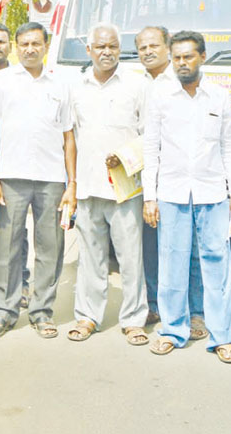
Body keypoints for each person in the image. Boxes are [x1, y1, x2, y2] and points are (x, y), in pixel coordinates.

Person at [143, 30, 231, 364]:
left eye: (188, 56)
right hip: (171, 193)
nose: (182, 63)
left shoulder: (219, 96)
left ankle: (223, 338)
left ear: (202, 56)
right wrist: (149, 196)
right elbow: (150, 149)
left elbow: (229, 148)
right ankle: (172, 331)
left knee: (217, 264)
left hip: (212, 192)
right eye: (176, 58)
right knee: (171, 264)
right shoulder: (161, 97)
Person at [0, 21, 77, 340]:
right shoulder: (2, 81)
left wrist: (71, 183)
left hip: (51, 179)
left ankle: (41, 311)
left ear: (46, 46)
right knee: (9, 246)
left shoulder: (61, 84)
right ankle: (5, 312)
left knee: (50, 246)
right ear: (16, 47)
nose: (30, 49)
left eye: (36, 43)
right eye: (24, 44)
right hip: (11, 176)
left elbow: (68, 137)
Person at [67, 23, 150, 346]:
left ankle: (133, 319)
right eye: (100, 47)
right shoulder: (76, 88)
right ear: (89, 50)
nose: (107, 52)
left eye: (113, 47)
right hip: (88, 187)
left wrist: (125, 157)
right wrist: (71, 185)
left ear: (120, 49)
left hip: (124, 189)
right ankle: (88, 316)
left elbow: (150, 136)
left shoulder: (136, 85)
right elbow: (70, 139)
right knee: (90, 258)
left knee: (130, 257)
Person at [134, 26, 206, 339]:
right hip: (142, 175)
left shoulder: (180, 79)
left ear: (167, 48)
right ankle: (156, 305)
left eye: (154, 45)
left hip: (180, 177)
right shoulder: (133, 81)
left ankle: (196, 312)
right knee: (151, 246)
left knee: (188, 248)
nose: (148, 51)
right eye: (142, 47)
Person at [0, 23, 31, 307]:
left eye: (2, 41)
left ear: (10, 46)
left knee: (16, 232)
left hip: (15, 166)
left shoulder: (23, 76)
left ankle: (20, 284)